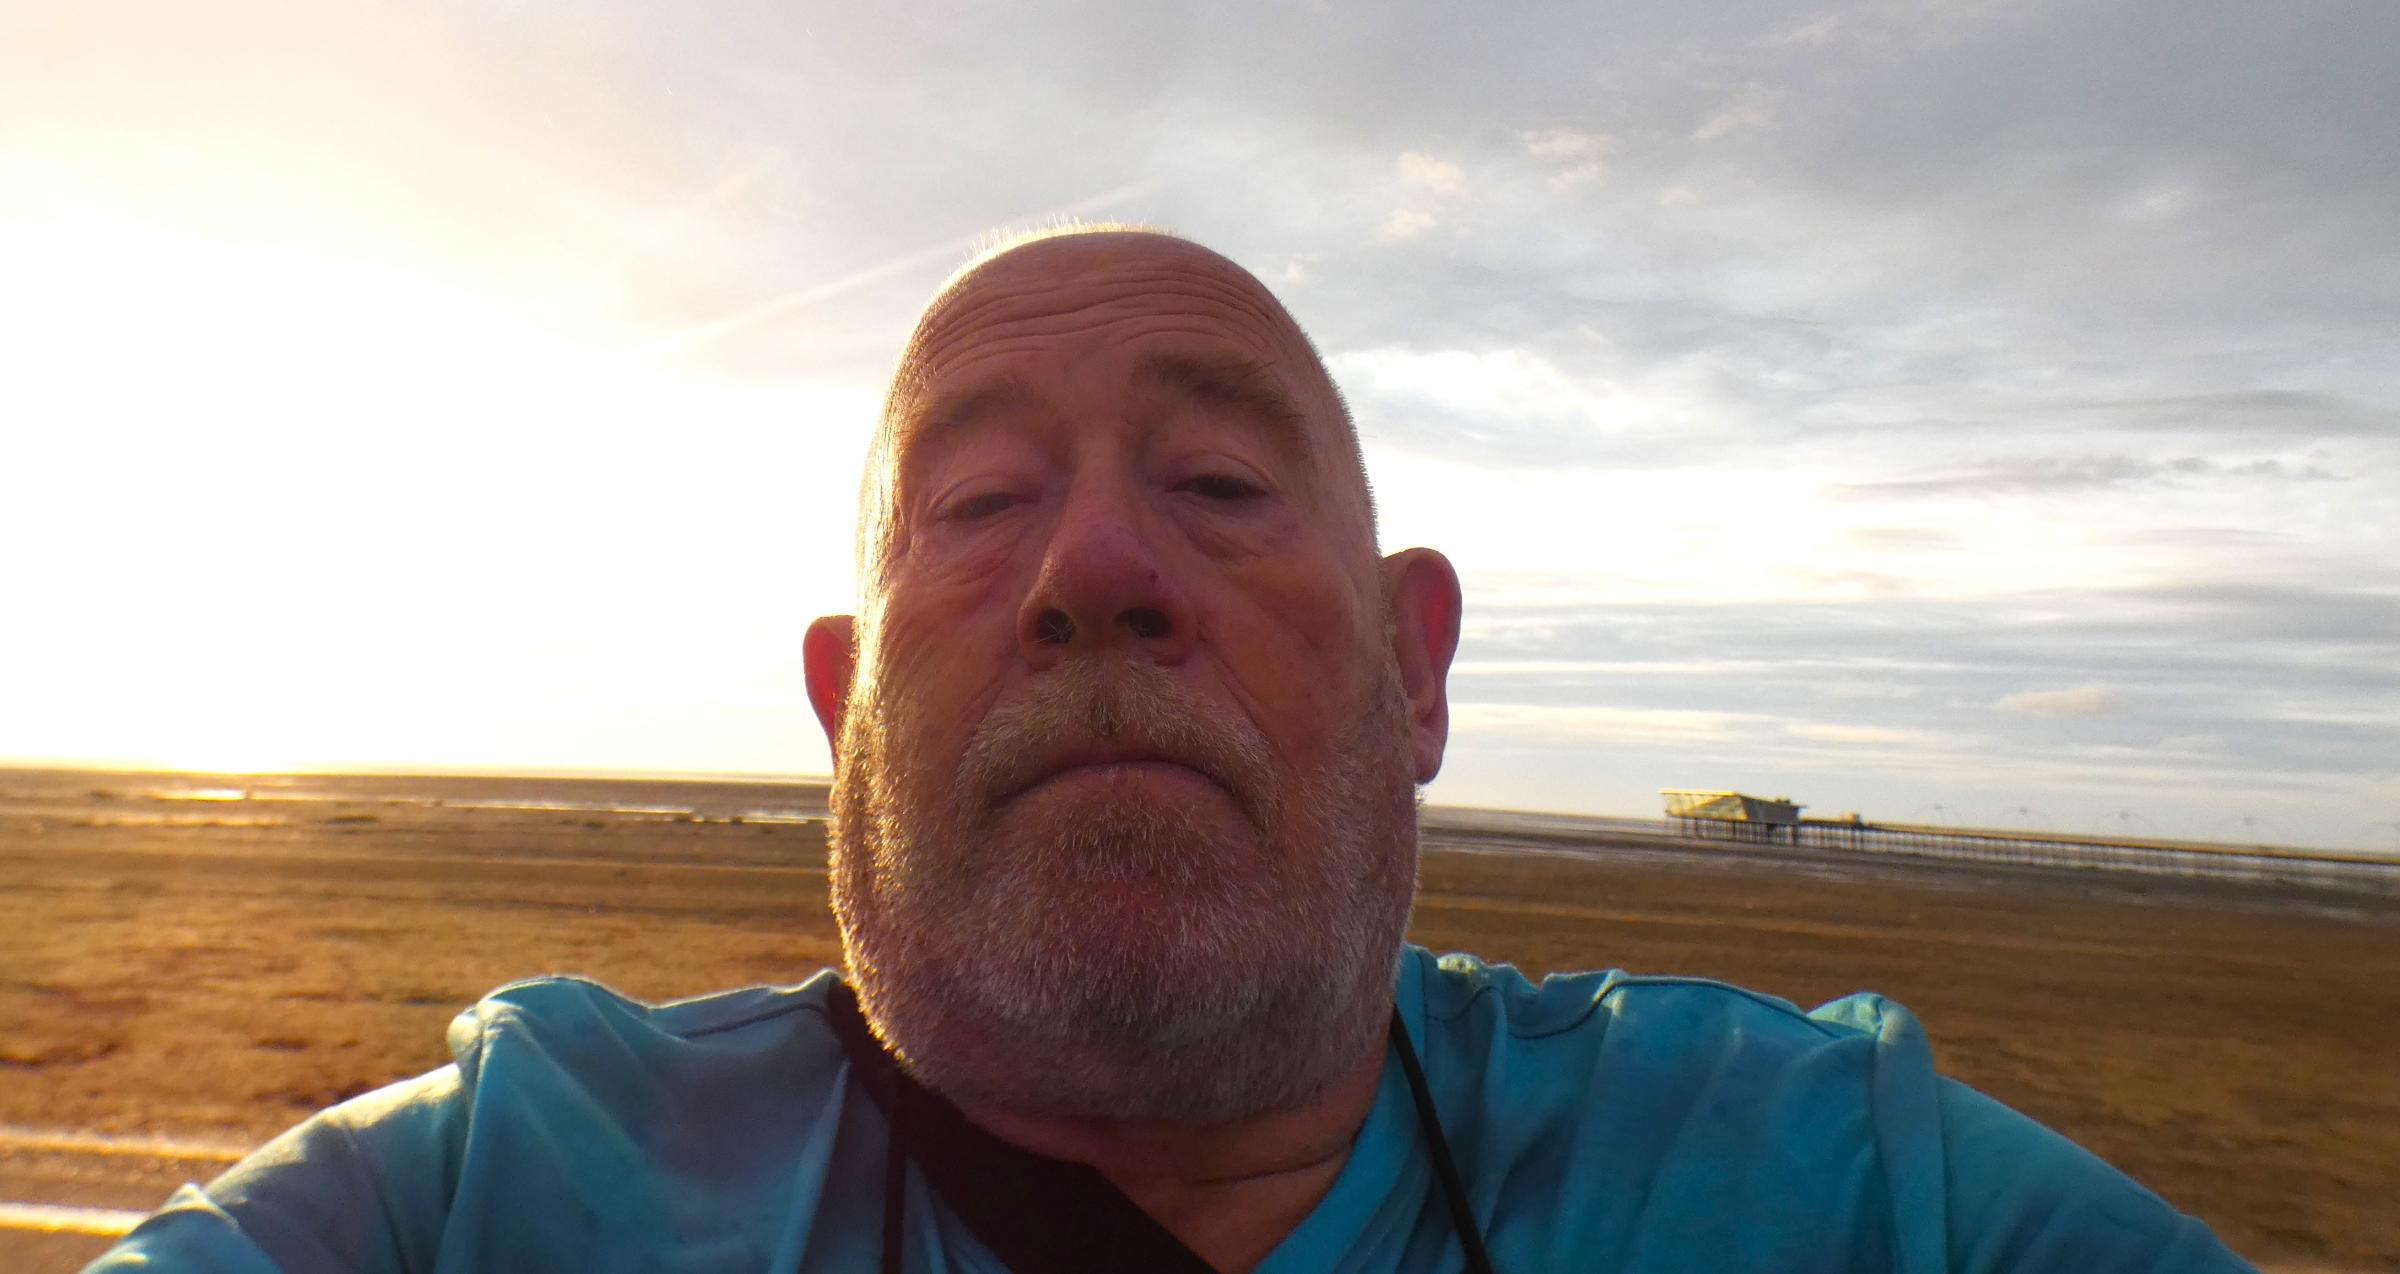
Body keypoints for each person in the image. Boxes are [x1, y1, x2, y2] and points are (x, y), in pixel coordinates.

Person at [89, 227, 2255, 1273]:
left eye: (1219, 483)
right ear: (847, 714)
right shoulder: (498, 1195)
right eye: (978, 499)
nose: (1098, 562)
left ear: (1418, 673)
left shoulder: (1838, 1192)